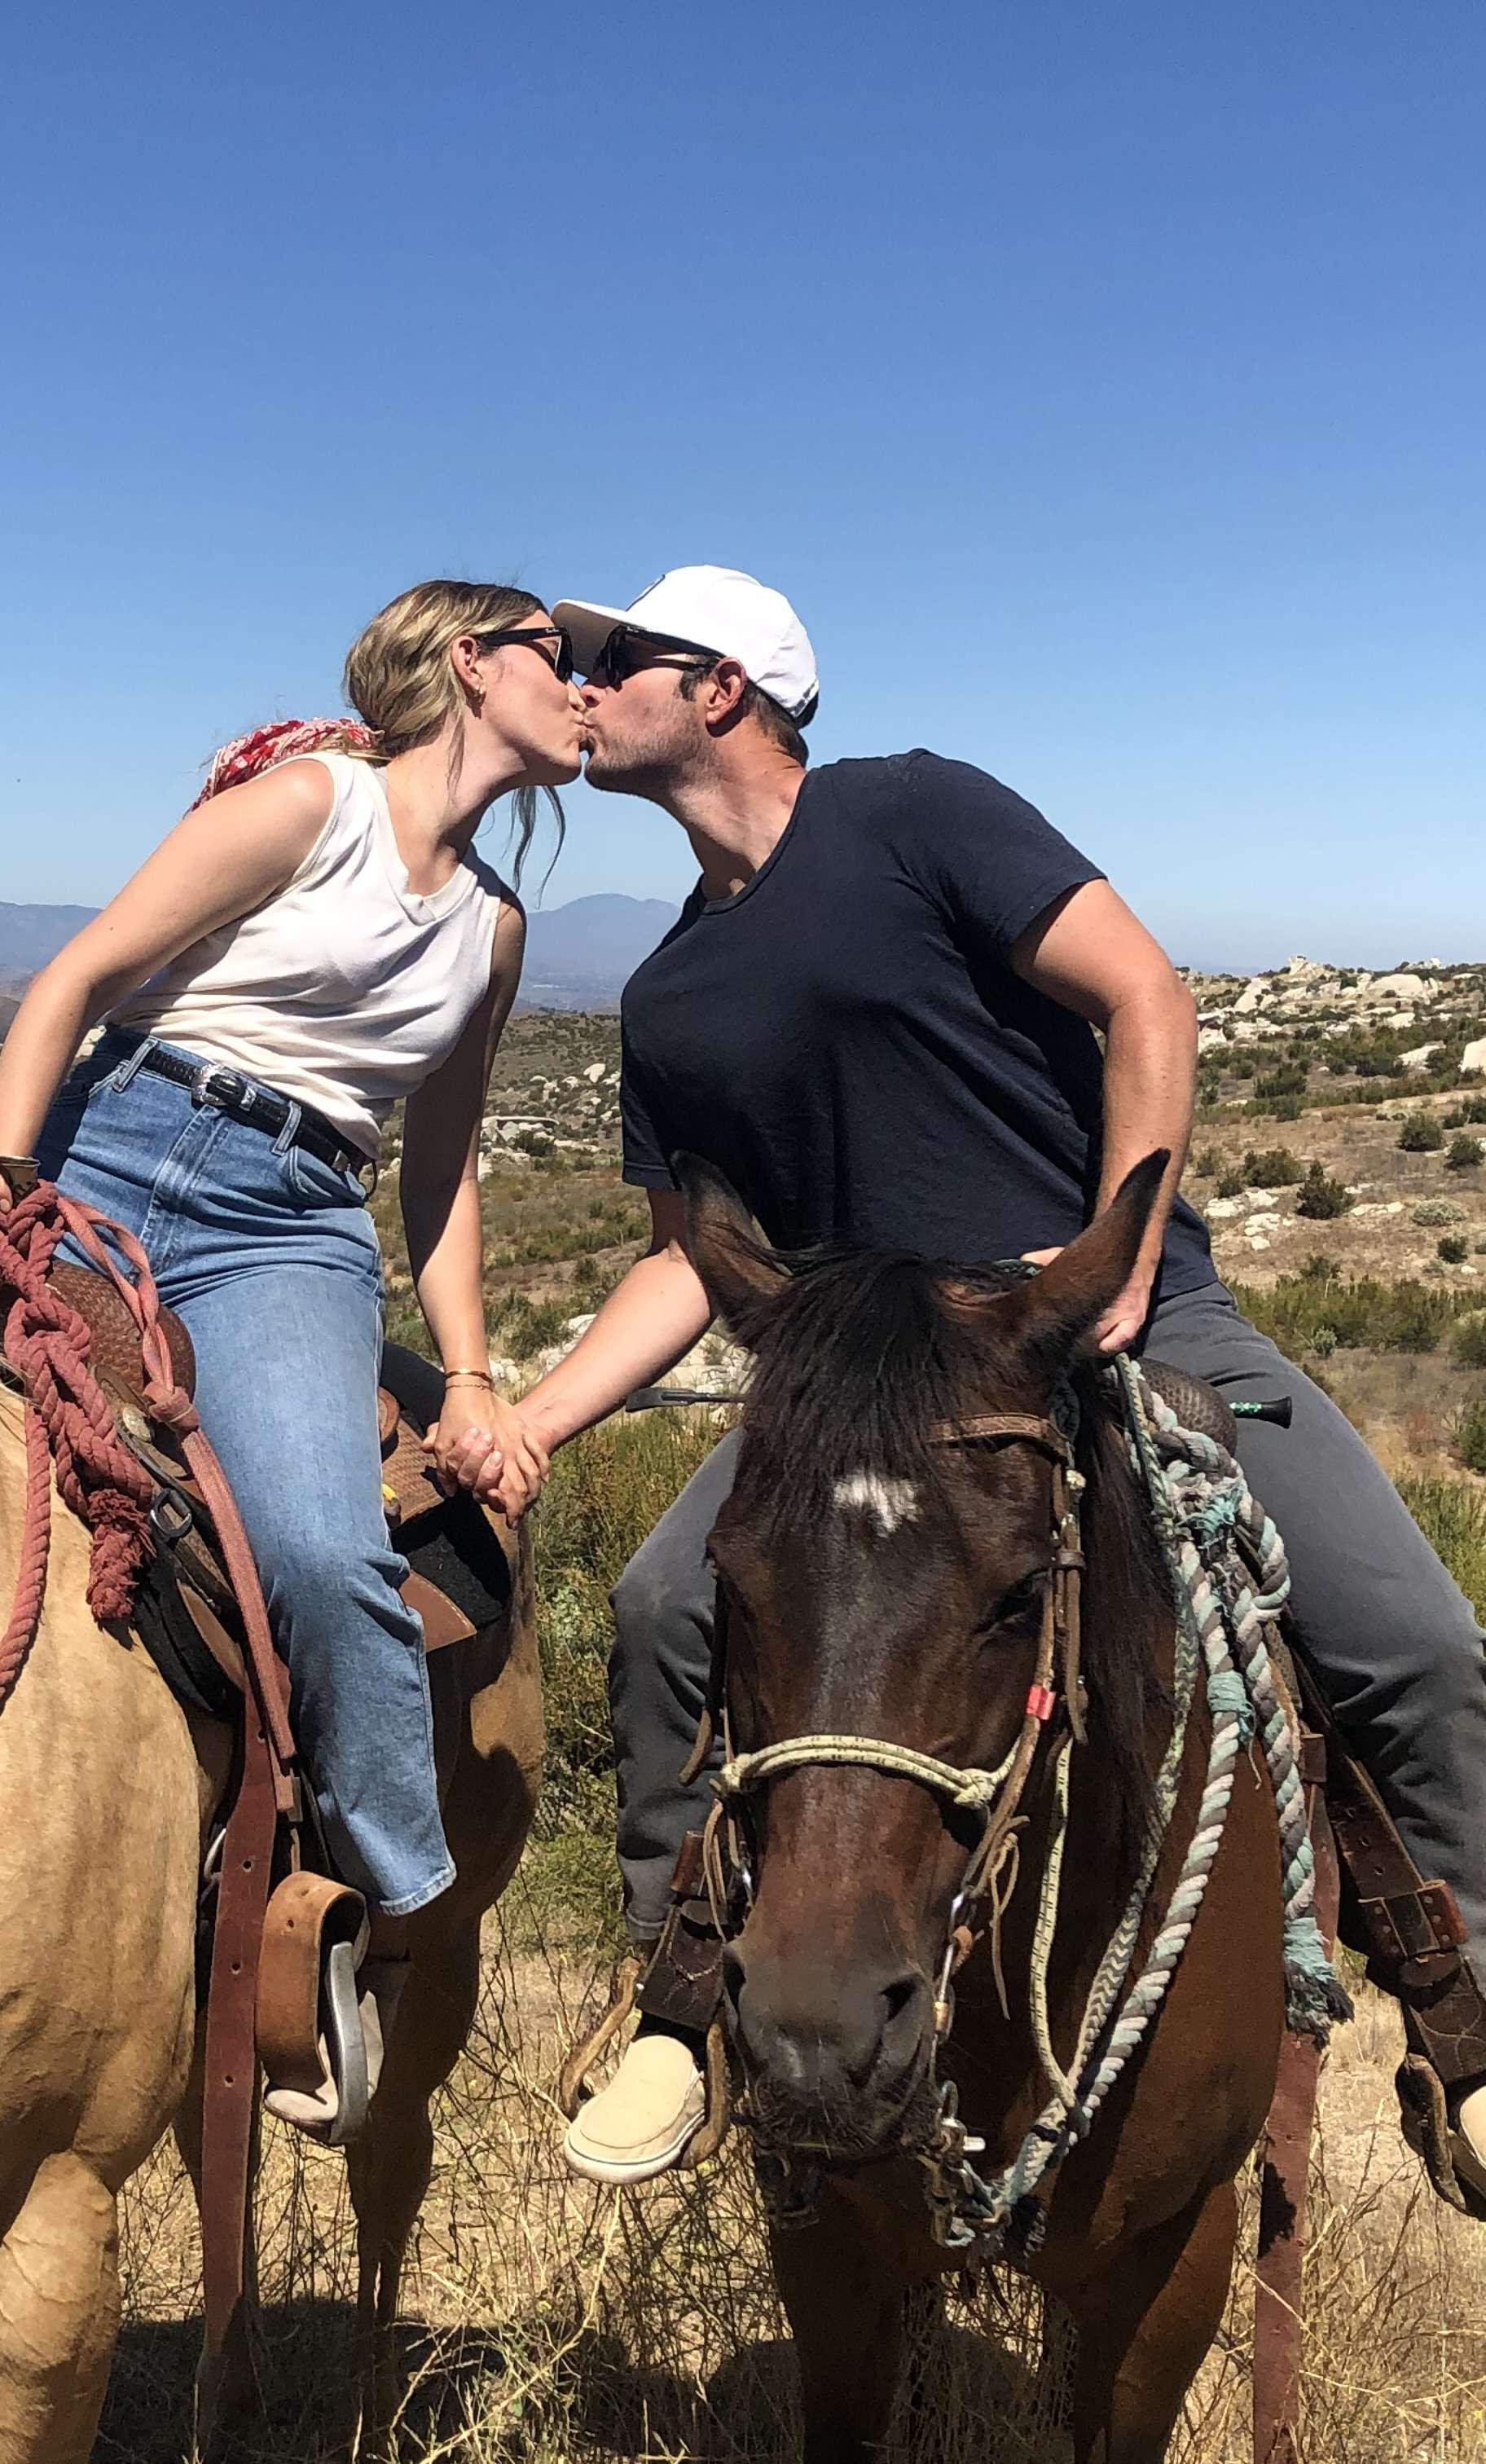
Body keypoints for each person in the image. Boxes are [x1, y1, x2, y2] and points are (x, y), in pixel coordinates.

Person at [443, 562, 1486, 2197]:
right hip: (860, 1382)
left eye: (614, 658)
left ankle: (1466, 2015)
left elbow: (1144, 990)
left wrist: (1118, 1265)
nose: (582, 682)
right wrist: (533, 1420)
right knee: (658, 1608)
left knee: (1410, 1636)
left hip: (1105, 1311)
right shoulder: (667, 995)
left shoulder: (911, 812)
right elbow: (679, 1262)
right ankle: (680, 1998)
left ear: (724, 685)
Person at [0, 579, 579, 2123]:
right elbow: (83, 977)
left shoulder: (495, 933)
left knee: (322, 1555)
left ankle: (383, 1919)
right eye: (558, 658)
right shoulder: (309, 804)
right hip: (108, 1142)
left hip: (292, 1225)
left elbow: (436, 1171)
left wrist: (481, 1370)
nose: (586, 689)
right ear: (470, 665)